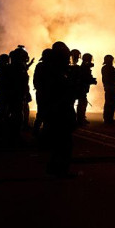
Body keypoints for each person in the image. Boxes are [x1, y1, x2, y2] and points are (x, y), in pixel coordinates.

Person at [43, 41, 80, 177]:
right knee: (63, 143)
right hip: (60, 110)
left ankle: (55, 168)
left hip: (58, 109)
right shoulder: (57, 73)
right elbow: (64, 91)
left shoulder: (54, 70)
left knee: (60, 142)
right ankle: (60, 170)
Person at [101, 54, 115, 124]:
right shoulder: (109, 68)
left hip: (108, 86)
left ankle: (108, 118)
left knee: (109, 102)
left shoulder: (105, 68)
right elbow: (114, 75)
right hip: (110, 86)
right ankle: (109, 119)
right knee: (111, 103)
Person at [77, 53, 97, 126]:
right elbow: (85, 78)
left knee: (82, 103)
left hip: (83, 87)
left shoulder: (84, 67)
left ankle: (81, 118)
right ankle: (80, 119)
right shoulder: (85, 67)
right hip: (82, 87)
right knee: (82, 103)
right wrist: (92, 81)